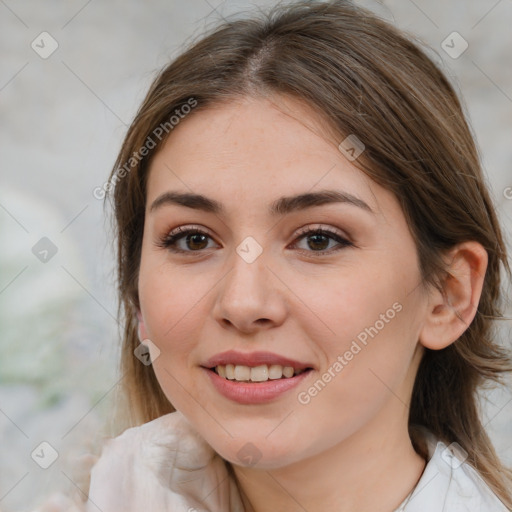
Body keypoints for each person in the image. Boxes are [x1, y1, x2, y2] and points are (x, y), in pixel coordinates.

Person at [52, 1, 512, 510]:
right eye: (193, 239)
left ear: (448, 295)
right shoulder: (111, 491)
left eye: (319, 239)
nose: (243, 302)